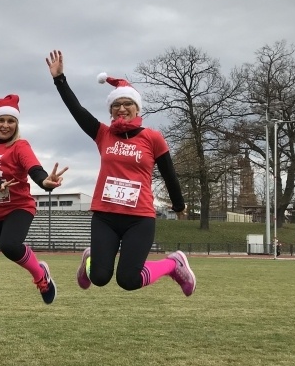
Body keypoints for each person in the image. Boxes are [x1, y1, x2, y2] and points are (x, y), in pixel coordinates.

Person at [45, 50, 196, 296]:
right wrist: (60, 80)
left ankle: (173, 264)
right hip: (106, 216)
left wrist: (179, 206)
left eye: (127, 104)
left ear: (137, 109)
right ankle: (91, 260)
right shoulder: (103, 134)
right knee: (100, 277)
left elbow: (169, 173)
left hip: (139, 217)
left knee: (128, 279)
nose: (122, 108)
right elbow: (77, 111)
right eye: (116, 105)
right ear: (110, 110)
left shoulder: (152, 138)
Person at [0, 94, 68, 303]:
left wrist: (44, 181)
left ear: (17, 124)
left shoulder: (20, 145)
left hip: (17, 207)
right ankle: (39, 269)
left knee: (10, 246)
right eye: (1, 120)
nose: (5, 125)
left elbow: (34, 168)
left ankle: (40, 276)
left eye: (11, 121)